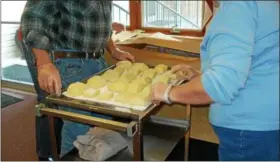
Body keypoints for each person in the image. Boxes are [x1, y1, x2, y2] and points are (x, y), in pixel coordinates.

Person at [151, 1, 279, 161]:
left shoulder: (238, 5)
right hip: (265, 124)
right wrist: (200, 76)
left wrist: (168, 92)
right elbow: (254, 62)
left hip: (247, 132)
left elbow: (221, 85)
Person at [20, 1, 135, 159]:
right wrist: (44, 63)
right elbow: (34, 19)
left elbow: (100, 24)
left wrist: (114, 50)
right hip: (72, 63)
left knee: (102, 123)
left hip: (97, 60)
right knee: (79, 127)